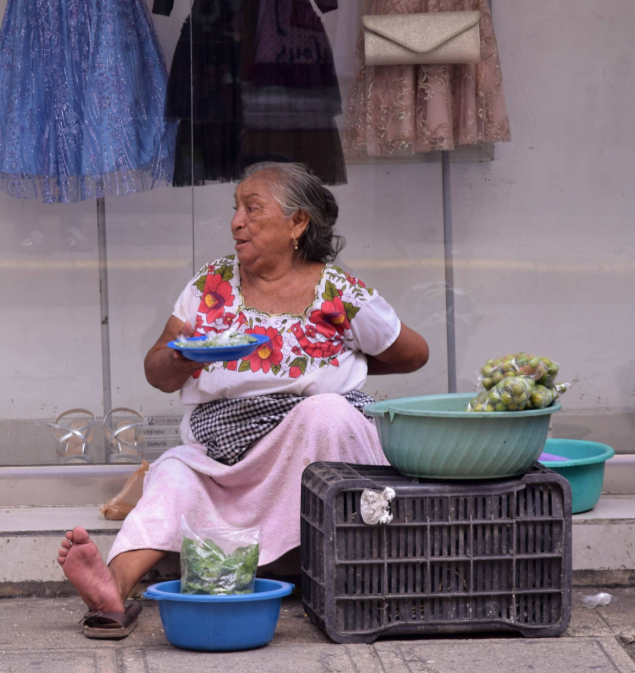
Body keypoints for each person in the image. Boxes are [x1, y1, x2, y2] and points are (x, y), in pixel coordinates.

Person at [58, 162, 429, 637]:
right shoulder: (211, 284)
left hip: (308, 445)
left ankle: (353, 569)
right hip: (223, 453)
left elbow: (413, 354)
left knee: (326, 412)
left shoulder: (341, 292)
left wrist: (344, 365)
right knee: (173, 475)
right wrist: (186, 359)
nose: (236, 222)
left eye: (253, 209)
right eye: (235, 209)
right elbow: (158, 372)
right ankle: (113, 588)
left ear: (298, 223)